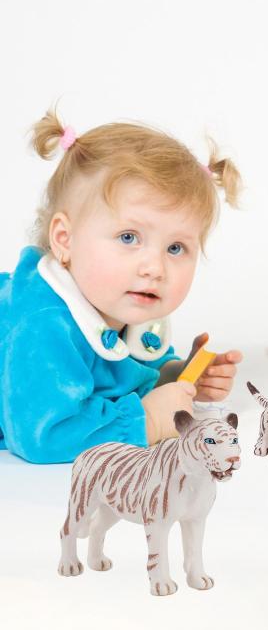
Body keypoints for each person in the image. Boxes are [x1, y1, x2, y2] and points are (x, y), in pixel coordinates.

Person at [0, 110, 243, 463]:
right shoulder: (43, 323)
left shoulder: (122, 303)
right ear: (65, 240)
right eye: (128, 237)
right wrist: (148, 421)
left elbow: (115, 376)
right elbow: (43, 435)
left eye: (176, 248)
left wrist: (177, 377)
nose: (155, 268)